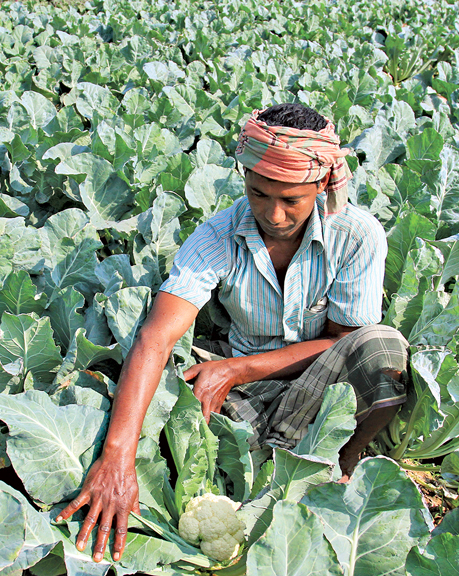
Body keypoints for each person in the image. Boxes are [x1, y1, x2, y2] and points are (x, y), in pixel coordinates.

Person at [56, 103, 409, 562]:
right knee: (158, 404)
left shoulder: (358, 235)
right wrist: (117, 457)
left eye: (291, 201)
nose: (274, 214)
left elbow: (342, 342)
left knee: (382, 349)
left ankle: (341, 460)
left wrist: (236, 369)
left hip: (317, 382)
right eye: (259, 194)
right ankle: (274, 460)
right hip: (242, 396)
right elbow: (155, 338)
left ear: (322, 184)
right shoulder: (219, 234)